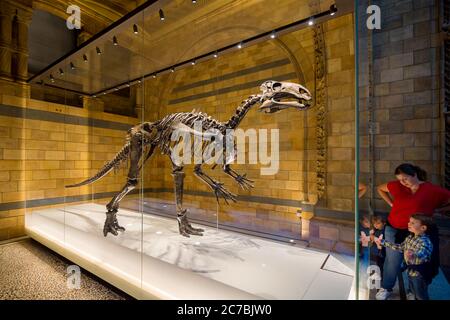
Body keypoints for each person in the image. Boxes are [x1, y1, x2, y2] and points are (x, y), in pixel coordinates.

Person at [375, 163, 450, 300]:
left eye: (405, 178)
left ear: (414, 174)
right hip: (394, 227)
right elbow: (380, 188)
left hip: (416, 232)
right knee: (393, 261)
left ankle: (412, 290)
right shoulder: (398, 186)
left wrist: (439, 210)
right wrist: (391, 203)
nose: (402, 182)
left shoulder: (431, 190)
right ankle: (386, 287)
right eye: (399, 179)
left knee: (414, 262)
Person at [374, 214, 433, 300]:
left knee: (420, 294)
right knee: (413, 286)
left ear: (423, 228)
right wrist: (384, 242)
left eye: (412, 223)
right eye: (409, 221)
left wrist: (413, 254)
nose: (408, 224)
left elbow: (423, 253)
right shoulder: (409, 237)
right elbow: (400, 247)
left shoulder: (425, 242)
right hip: (410, 272)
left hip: (420, 274)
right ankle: (412, 293)